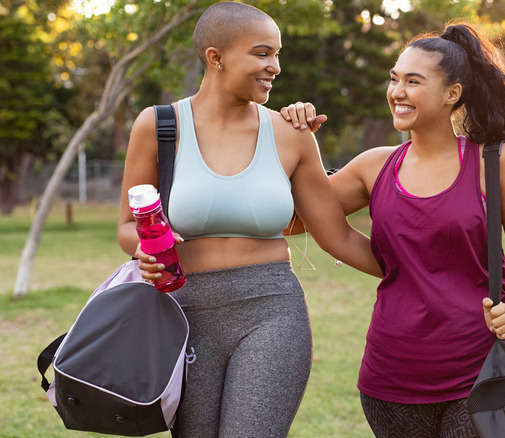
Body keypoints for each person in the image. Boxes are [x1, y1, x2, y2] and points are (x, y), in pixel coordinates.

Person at [117, 2, 381, 437]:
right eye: (262, 54)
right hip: (184, 316)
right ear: (215, 58)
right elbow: (128, 226)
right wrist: (143, 248)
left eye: (277, 54)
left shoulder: (290, 134)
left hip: (272, 313)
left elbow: (337, 236)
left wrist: (419, 273)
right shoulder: (160, 126)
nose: (274, 67)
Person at [283, 22, 505, 437]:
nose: (397, 91)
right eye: (394, 79)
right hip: (391, 378)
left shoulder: (496, 162)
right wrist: (297, 144)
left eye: (413, 81)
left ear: (452, 94)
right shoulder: (374, 166)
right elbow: (292, 220)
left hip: (485, 371)